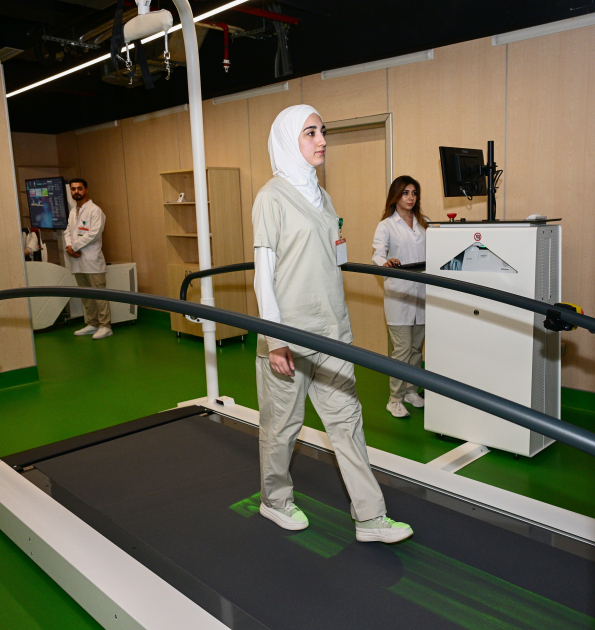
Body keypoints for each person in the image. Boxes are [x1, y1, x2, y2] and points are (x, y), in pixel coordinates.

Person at [252, 105, 413, 544]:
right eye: (310, 133)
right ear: (289, 139)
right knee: (281, 427)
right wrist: (275, 339)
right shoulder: (271, 197)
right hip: (289, 334)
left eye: (322, 131)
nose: (322, 140)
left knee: (348, 423)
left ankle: (370, 516)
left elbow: (332, 256)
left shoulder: (322, 196)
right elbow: (263, 275)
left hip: (331, 330)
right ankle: (274, 500)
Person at [372, 176, 427, 418]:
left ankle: (410, 391)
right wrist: (386, 262)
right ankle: (394, 399)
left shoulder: (423, 223)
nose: (410, 198)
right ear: (395, 196)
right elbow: (377, 254)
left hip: (421, 295)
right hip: (399, 295)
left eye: (414, 193)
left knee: (416, 349)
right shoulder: (386, 225)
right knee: (402, 350)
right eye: (405, 193)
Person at [63, 178, 112, 340]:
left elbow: (94, 234)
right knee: (86, 296)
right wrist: (69, 247)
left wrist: (75, 247)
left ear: (86, 190)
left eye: (79, 188)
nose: (76, 192)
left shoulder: (95, 211)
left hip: (92, 260)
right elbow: (67, 232)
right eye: (73, 189)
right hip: (77, 261)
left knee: (99, 295)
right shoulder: (73, 211)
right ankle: (92, 323)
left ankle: (105, 326)